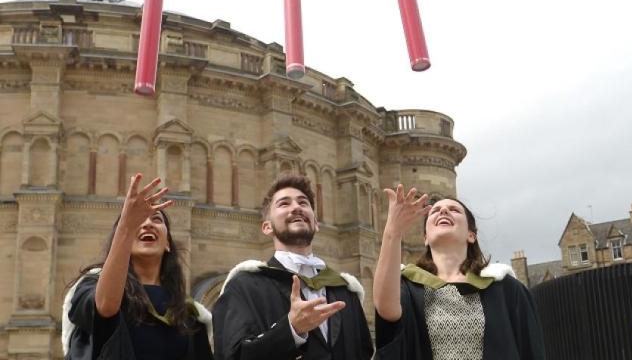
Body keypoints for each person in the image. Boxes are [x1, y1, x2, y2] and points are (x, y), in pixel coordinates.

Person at [373, 186, 546, 359]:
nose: (444, 211)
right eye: (435, 211)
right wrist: (393, 232)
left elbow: (531, 351)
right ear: (425, 238)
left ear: (471, 235)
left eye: (454, 210)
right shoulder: (409, 286)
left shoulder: (506, 289)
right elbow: (386, 309)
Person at [213, 174, 373, 360]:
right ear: (267, 227)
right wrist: (291, 330)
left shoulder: (344, 290)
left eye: (303, 203)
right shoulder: (244, 287)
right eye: (284, 204)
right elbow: (231, 355)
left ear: (316, 224)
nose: (296, 207)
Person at [63, 174, 214, 360]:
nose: (147, 224)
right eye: (138, 221)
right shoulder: (92, 286)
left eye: (156, 220)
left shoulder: (190, 314)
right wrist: (126, 225)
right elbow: (105, 308)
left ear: (168, 243)